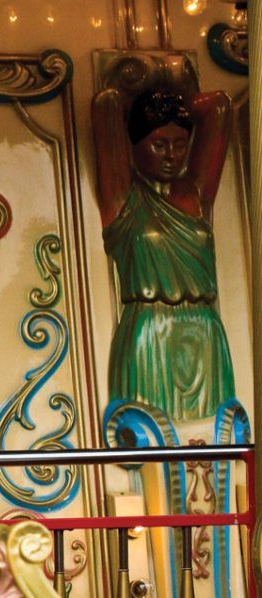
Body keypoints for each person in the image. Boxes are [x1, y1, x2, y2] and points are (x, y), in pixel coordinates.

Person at [90, 87, 235, 422]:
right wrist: (137, 95)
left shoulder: (195, 194)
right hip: (149, 330)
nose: (172, 155)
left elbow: (219, 107)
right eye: (158, 144)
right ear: (135, 146)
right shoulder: (122, 199)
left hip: (205, 332)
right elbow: (106, 104)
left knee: (214, 441)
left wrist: (178, 99)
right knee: (150, 439)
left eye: (181, 144)